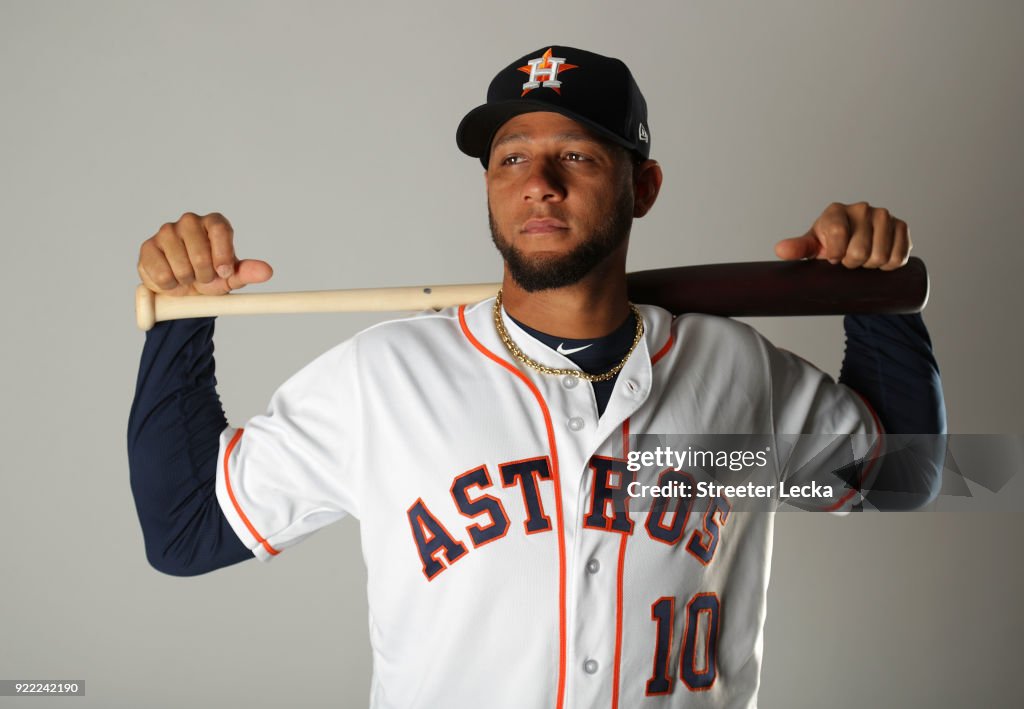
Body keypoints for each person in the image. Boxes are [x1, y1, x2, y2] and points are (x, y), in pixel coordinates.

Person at [128, 46, 944, 708]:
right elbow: (187, 529)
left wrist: (876, 296)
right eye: (510, 156)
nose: (538, 183)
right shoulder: (387, 377)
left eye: (578, 155)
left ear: (643, 187)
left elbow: (906, 477)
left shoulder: (737, 372)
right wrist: (186, 318)